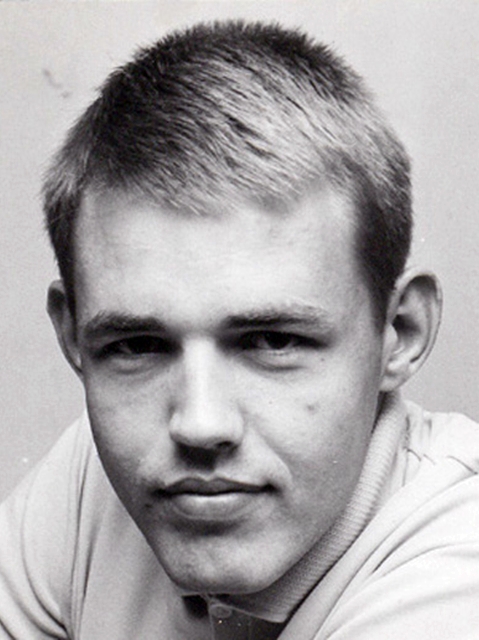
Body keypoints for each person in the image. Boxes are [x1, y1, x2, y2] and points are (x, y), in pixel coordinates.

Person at [1, 19, 479, 640]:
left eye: (273, 341)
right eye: (137, 346)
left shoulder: (460, 564)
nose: (199, 425)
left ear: (402, 332)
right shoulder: (89, 479)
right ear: (74, 339)